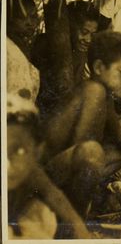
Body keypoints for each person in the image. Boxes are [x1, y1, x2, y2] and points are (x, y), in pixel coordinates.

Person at [41, 31, 121, 218]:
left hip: (60, 167)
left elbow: (117, 131)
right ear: (99, 67)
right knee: (93, 152)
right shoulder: (94, 90)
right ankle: (73, 219)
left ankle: (72, 207)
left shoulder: (103, 92)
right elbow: (84, 146)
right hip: (42, 176)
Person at [7, 94, 91, 239]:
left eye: (19, 151)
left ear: (37, 152)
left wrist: (84, 236)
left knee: (41, 214)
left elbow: (56, 198)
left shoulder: (31, 172)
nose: (6, 164)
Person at [33, 1, 99, 116]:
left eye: (92, 34)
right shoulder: (44, 44)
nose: (88, 39)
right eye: (84, 32)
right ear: (69, 27)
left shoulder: (80, 52)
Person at [7, 0, 40, 102]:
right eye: (22, 17)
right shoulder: (8, 49)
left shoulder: (26, 46)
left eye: (33, 16)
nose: (30, 23)